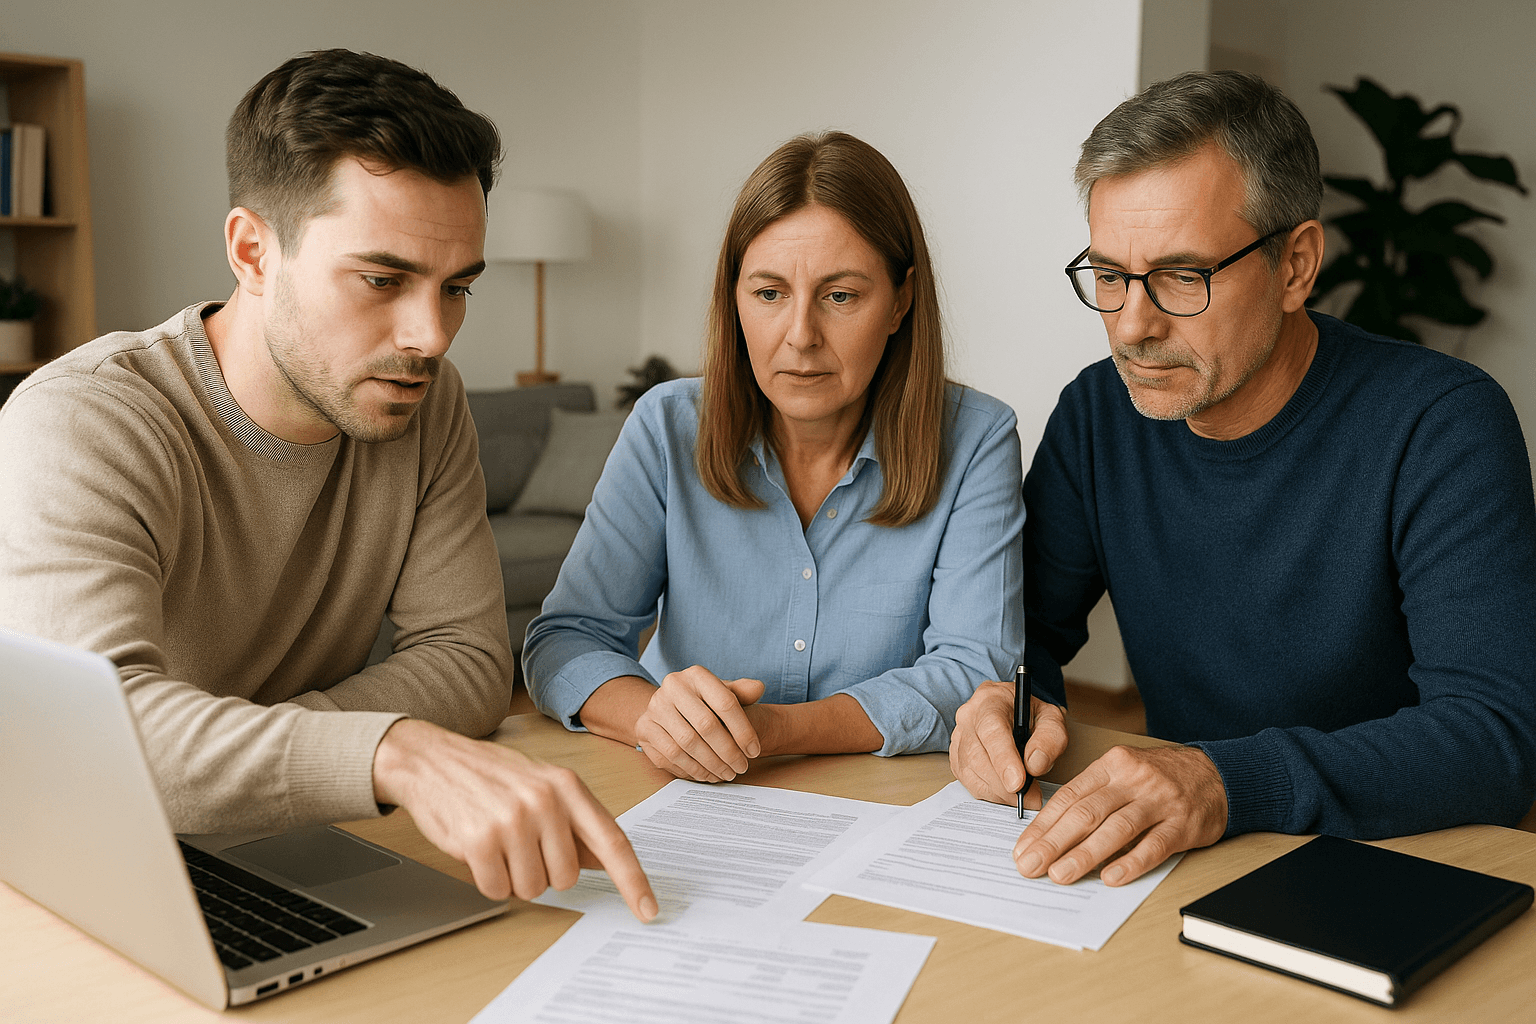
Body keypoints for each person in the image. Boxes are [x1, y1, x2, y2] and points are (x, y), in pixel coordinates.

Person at [0, 50, 655, 921]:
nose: (431, 336)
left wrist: (232, 755)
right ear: (252, 252)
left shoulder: (428, 403)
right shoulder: (87, 420)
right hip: (81, 867)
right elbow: (99, 745)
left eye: (456, 287)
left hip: (279, 842)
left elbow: (467, 664)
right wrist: (390, 750)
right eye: (382, 280)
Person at [950, 70, 1536, 888]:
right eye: (1111, 275)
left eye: (1183, 277)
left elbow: (1493, 738)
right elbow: (1028, 641)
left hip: (1399, 861)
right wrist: (998, 705)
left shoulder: (1442, 423)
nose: (1132, 327)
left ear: (1296, 266)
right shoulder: (1099, 413)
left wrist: (1226, 780)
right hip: (1188, 862)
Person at [524, 132, 1024, 781]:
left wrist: (777, 730)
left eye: (840, 296)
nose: (800, 337)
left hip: (877, 799)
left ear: (901, 300)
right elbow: (566, 639)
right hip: (678, 788)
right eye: (769, 294)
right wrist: (656, 718)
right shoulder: (666, 426)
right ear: (734, 299)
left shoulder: (977, 439)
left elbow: (975, 670)